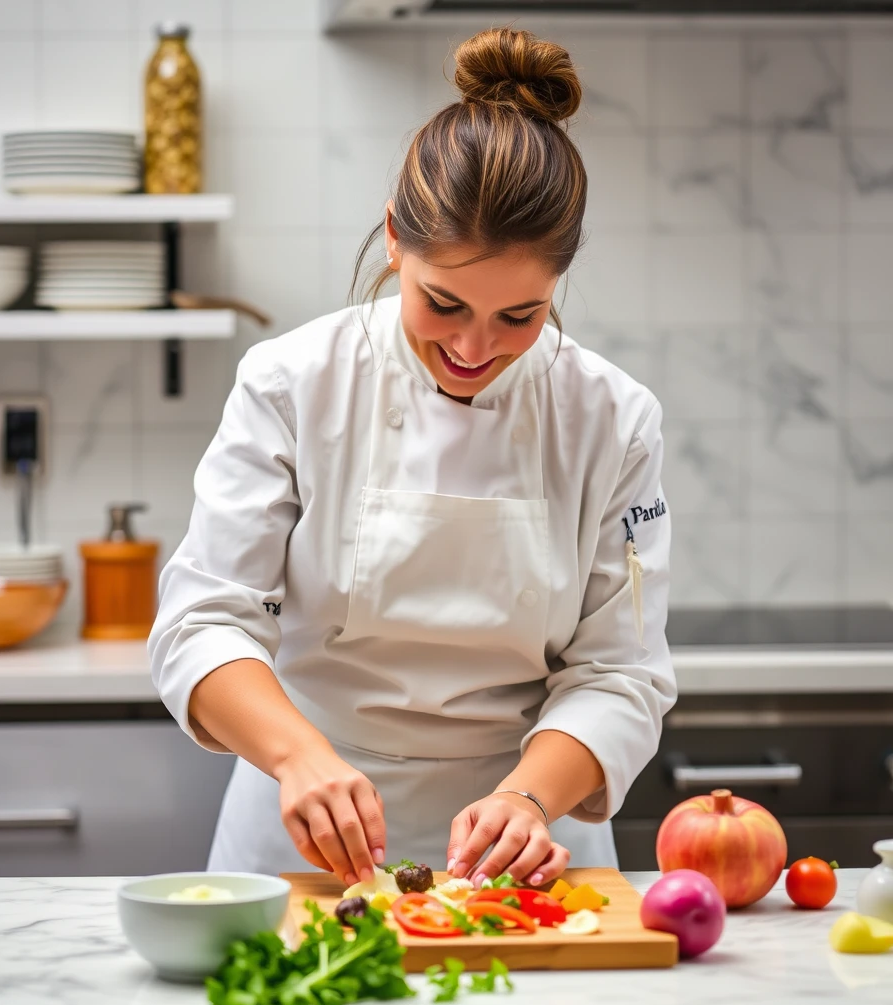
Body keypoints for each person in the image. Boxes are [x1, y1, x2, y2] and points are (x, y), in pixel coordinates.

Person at [148, 26, 677, 889]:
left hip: (528, 852)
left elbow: (620, 670)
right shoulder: (292, 383)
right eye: (444, 301)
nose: (474, 346)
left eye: (520, 316)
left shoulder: (611, 419)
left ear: (558, 285)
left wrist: (530, 802)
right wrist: (297, 758)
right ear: (395, 240)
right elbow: (204, 620)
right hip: (306, 838)